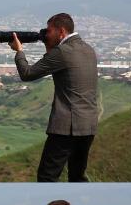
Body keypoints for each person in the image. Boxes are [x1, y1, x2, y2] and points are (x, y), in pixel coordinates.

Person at [9, 13, 98, 182]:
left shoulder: (62, 52)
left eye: (49, 31)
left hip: (66, 127)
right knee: (77, 176)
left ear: (61, 31)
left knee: (47, 176)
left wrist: (19, 51)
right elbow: (57, 63)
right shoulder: (88, 49)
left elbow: (27, 74)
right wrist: (50, 45)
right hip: (88, 126)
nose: (45, 34)